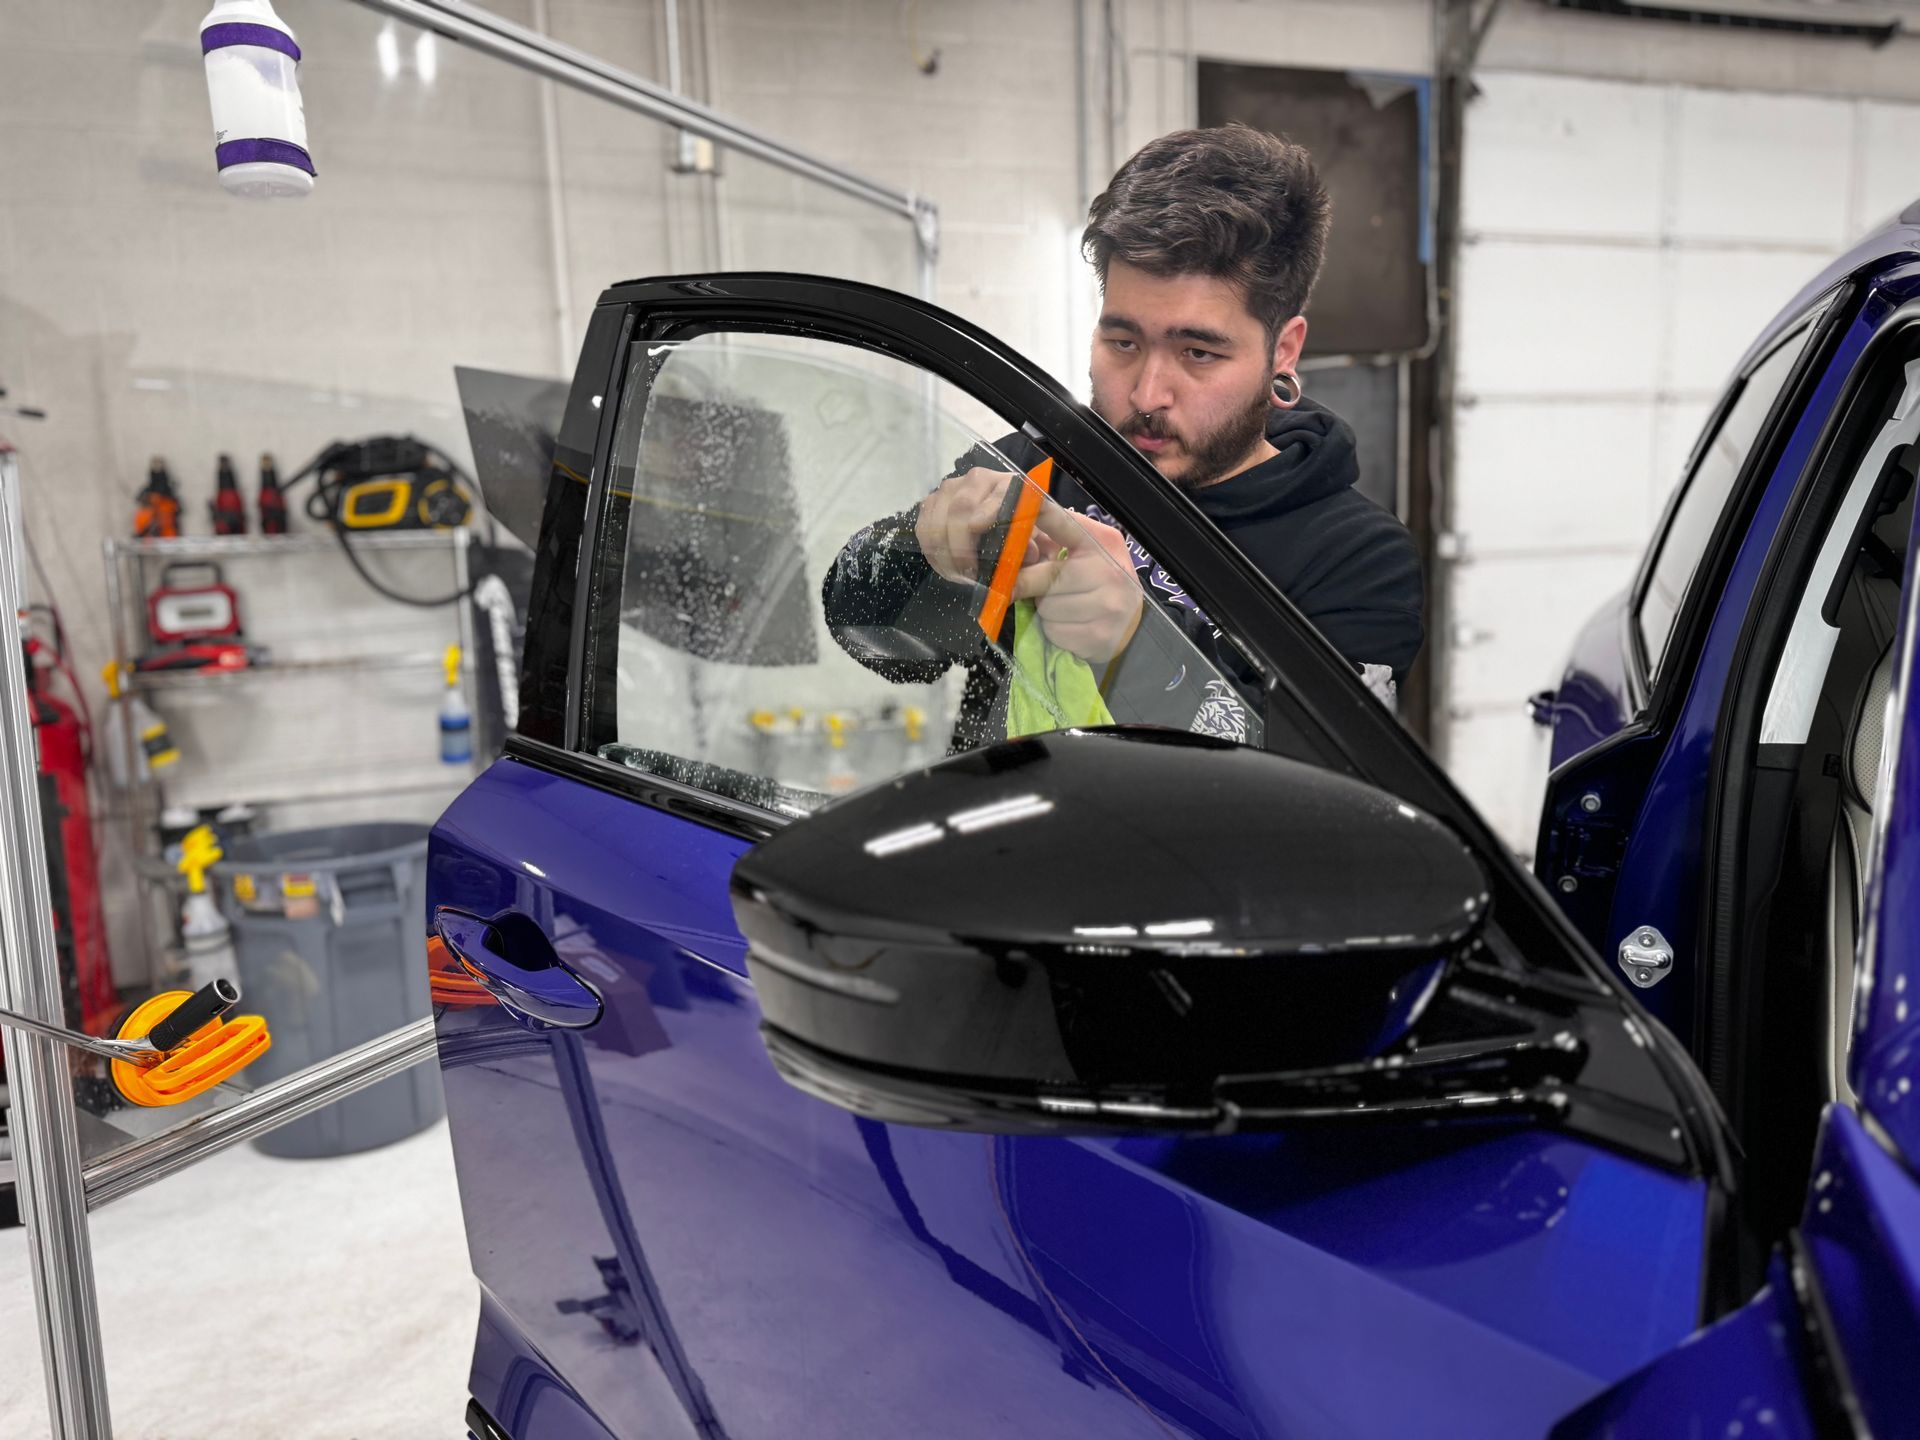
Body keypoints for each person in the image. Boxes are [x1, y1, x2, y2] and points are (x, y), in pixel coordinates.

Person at [821, 123, 1424, 746]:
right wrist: (914, 549)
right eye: (1123, 342)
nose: (1146, 394)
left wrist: (1139, 650)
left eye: (1197, 352)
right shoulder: (1042, 466)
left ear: (1283, 350)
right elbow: (880, 641)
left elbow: (1321, 802)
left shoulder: (1356, 560)